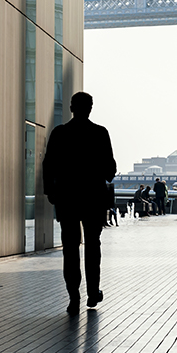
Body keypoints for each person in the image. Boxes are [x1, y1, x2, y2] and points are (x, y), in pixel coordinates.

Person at [42, 92, 116, 315]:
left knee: (70, 248)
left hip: (67, 199)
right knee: (93, 246)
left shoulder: (60, 133)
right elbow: (110, 171)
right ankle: (93, 292)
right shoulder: (100, 133)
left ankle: (73, 296)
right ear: (90, 108)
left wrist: (51, 193)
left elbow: (48, 165)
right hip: (93, 199)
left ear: (71, 108)